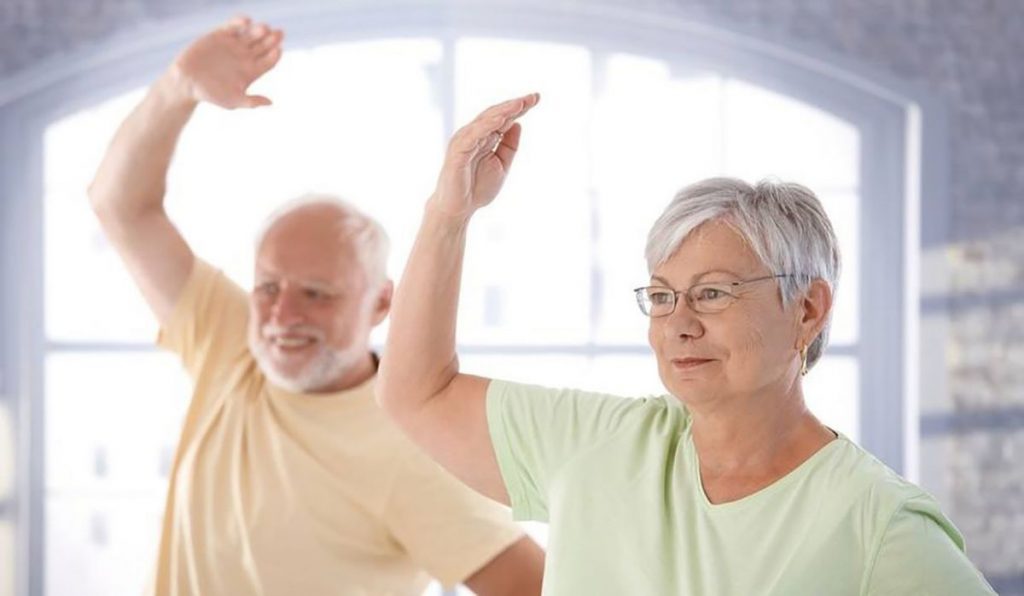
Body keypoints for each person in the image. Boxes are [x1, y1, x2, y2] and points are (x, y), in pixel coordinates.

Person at [375, 94, 998, 595]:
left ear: (807, 309)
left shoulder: (877, 524)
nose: (678, 325)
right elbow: (415, 391)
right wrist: (449, 215)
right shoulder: (592, 446)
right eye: (662, 296)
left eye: (713, 293)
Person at [88, 18, 544, 596]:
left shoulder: (416, 452)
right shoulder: (231, 342)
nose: (281, 318)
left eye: (317, 294)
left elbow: (542, 587)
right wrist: (178, 87)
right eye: (269, 287)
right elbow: (119, 205)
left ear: (381, 302)